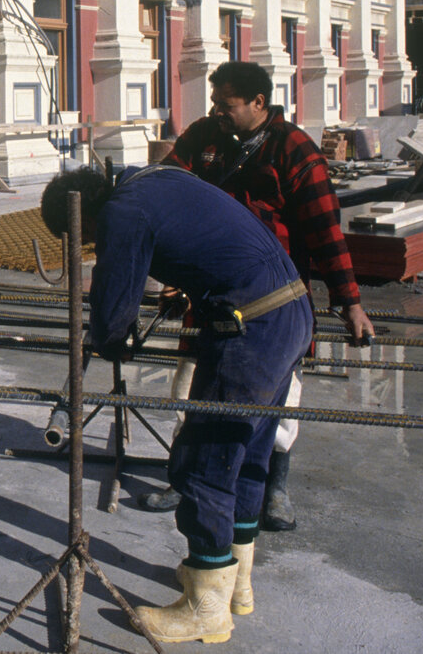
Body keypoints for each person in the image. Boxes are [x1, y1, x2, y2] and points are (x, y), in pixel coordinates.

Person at [41, 165, 312, 645]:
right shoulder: (153, 180)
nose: (86, 243)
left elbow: (112, 304)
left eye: (79, 236)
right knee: (246, 453)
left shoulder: (122, 212)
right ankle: (237, 586)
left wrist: (111, 338)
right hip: (288, 310)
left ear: (83, 218)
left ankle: (206, 609)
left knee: (204, 462)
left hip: (254, 329)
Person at [145, 60, 375, 531]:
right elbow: (165, 192)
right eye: (214, 102)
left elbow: (326, 233)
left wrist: (349, 302)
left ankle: (272, 484)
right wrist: (167, 267)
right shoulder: (202, 138)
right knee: (190, 382)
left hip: (275, 298)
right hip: (207, 290)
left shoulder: (294, 151)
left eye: (226, 104)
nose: (217, 111)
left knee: (278, 394)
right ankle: (182, 474)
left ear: (258, 103)